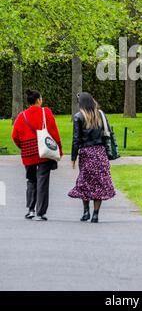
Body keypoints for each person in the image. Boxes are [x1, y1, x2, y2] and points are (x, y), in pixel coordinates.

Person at [12, 89, 63, 221]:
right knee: (42, 181)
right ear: (39, 100)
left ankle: (30, 210)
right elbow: (54, 132)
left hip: (28, 154)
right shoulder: (45, 112)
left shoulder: (21, 116)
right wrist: (59, 149)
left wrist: (22, 147)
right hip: (44, 152)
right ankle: (40, 212)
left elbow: (15, 136)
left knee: (31, 180)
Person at [68, 92, 116, 223]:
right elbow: (107, 134)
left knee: (85, 182)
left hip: (86, 153)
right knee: (99, 183)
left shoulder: (78, 117)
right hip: (100, 152)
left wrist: (73, 157)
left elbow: (76, 139)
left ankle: (85, 212)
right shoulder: (100, 115)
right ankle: (95, 214)